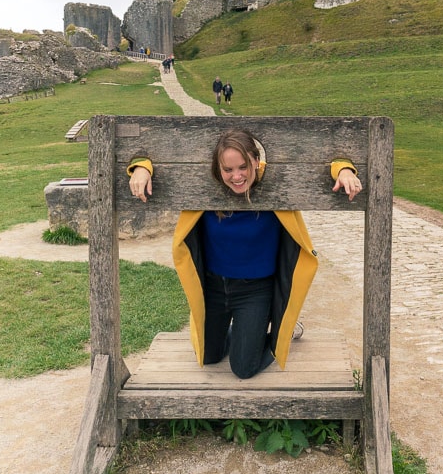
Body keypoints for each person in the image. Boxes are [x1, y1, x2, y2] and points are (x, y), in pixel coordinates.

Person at [127, 128, 362, 379]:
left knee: (243, 368)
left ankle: (272, 332)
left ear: (257, 161)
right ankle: (247, 332)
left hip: (255, 290)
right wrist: (141, 168)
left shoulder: (278, 187)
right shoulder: (203, 188)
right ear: (218, 169)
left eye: (243, 167)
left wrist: (344, 170)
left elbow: (331, 157)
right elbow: (145, 157)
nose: (236, 176)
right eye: (227, 170)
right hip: (214, 287)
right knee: (208, 355)